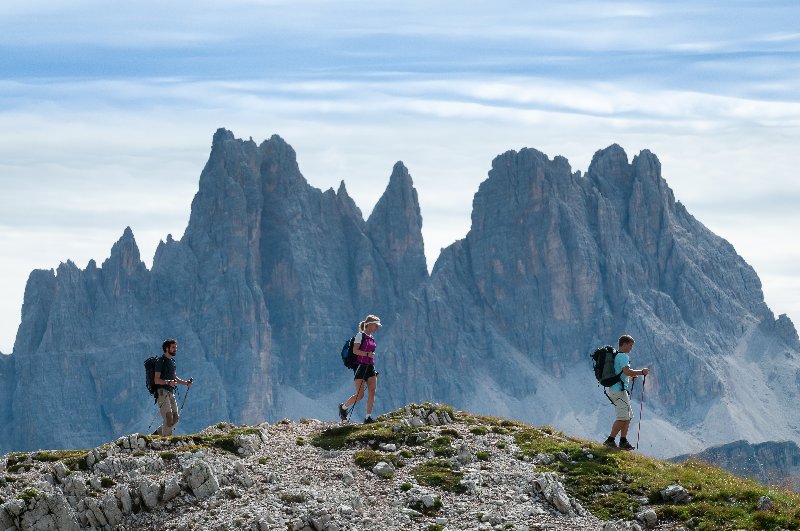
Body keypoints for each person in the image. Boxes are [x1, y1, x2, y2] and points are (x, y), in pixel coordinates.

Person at [603, 334, 649, 450]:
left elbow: (622, 373)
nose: (631, 348)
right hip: (618, 391)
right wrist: (641, 372)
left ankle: (623, 441)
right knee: (622, 417)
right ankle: (610, 440)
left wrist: (630, 378)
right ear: (623, 344)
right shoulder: (623, 356)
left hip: (619, 390)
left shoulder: (618, 356)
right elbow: (627, 371)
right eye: (630, 345)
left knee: (628, 417)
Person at [338, 315, 382, 424]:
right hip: (360, 366)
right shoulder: (359, 336)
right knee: (360, 395)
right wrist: (367, 354)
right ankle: (343, 408)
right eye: (376, 325)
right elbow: (355, 351)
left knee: (372, 390)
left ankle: (368, 417)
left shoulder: (371, 338)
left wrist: (370, 357)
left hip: (370, 366)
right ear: (370, 324)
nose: (377, 328)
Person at [153, 338, 193, 436]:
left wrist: (186, 383)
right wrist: (168, 382)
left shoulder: (172, 362)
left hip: (171, 392)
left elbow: (174, 378)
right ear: (167, 348)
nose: (175, 349)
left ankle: (157, 434)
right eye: (173, 347)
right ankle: (166, 442)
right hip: (162, 392)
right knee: (168, 418)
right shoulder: (160, 361)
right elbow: (156, 380)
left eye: (176, 347)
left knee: (175, 418)